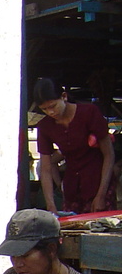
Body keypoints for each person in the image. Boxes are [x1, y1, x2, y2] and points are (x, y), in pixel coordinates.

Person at [33, 78, 116, 214]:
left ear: (64, 96)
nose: (50, 112)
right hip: (72, 189)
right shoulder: (44, 126)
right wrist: (50, 205)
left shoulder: (89, 113)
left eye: (53, 106)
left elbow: (109, 154)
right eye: (45, 109)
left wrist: (101, 195)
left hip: (99, 183)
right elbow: (46, 168)